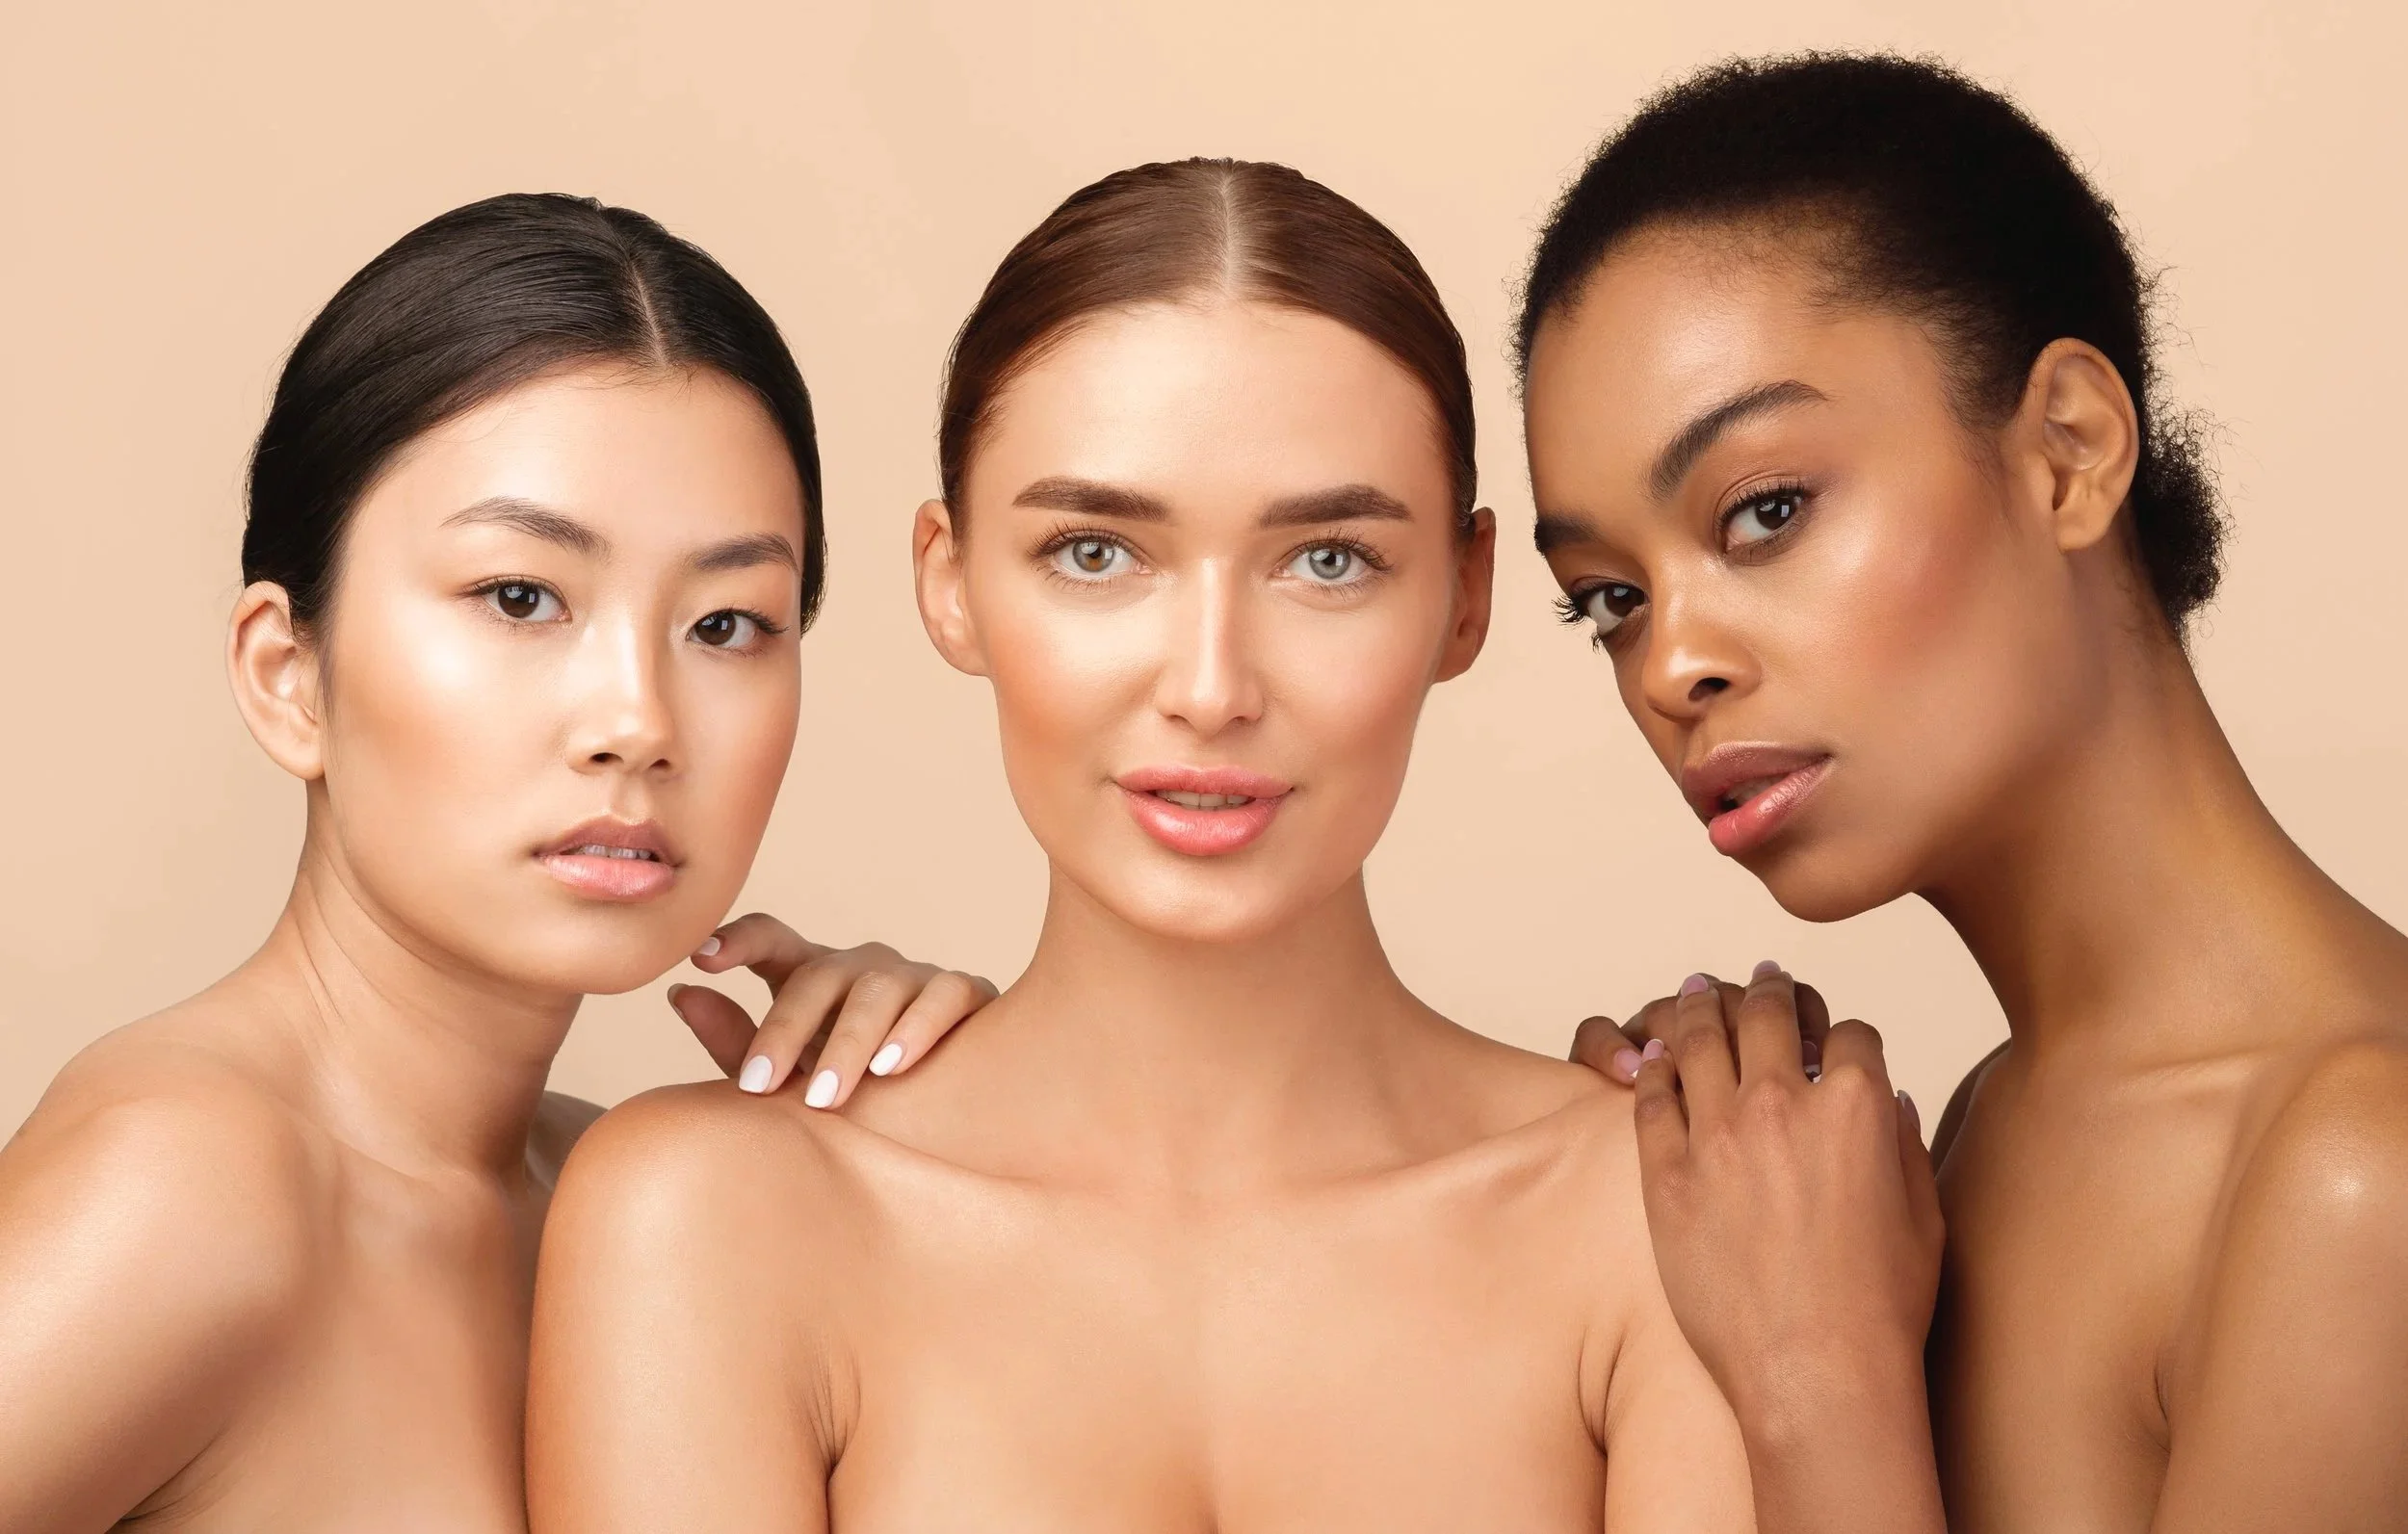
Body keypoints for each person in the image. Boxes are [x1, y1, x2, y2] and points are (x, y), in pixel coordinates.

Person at [527, 158, 1754, 1533]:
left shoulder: (1664, 1212)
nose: (1213, 686)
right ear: (952, 584)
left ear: (1463, 598)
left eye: (1329, 559)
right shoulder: (711, 1222)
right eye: (1098, 554)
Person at [0, 193, 989, 1533]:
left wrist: (940, 1136)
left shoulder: (629, 1204)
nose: (637, 719)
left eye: (727, 623)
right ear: (289, 676)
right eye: (521, 597)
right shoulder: (195, 1189)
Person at [1525, 55, 2408, 1532]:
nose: (1670, 661)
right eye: (1608, 596)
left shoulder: (2357, 1180)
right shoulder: (1985, 1134)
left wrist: (1813, 1369)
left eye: (1764, 512)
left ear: (2067, 450)